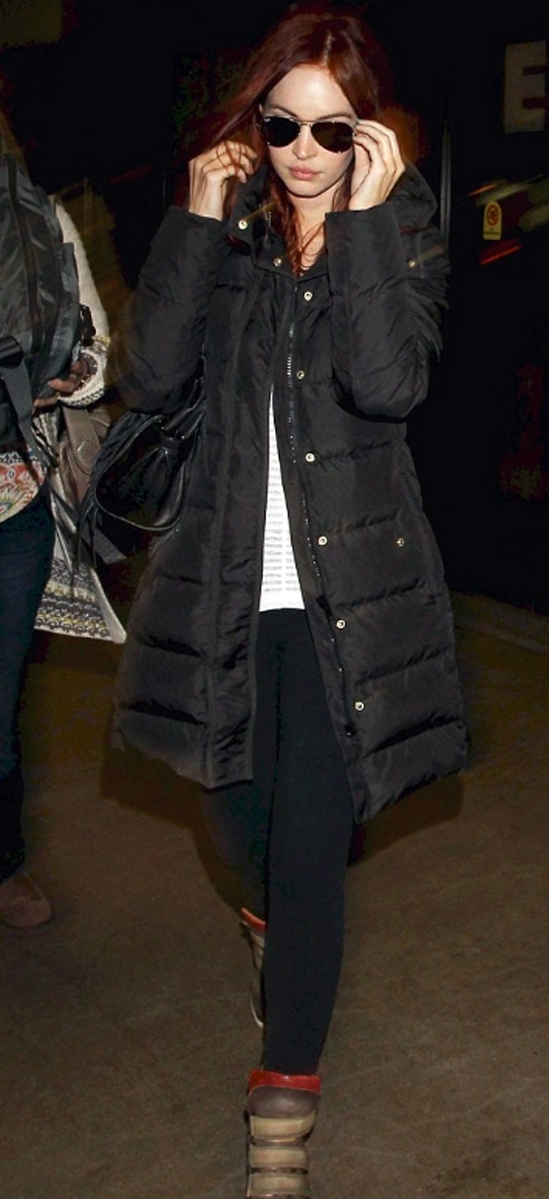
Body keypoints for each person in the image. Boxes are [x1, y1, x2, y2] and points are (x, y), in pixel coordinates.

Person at [110, 6, 468, 1194]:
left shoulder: (401, 226)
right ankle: (268, 919)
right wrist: (195, 217)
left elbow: (388, 380)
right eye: (283, 125)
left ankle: (283, 1103)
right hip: (220, 584)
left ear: (368, 133)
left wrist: (363, 223)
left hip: (344, 598)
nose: (304, 152)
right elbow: (151, 373)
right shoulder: (227, 234)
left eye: (332, 129)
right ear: (254, 124)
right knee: (235, 826)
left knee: (311, 845)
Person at [0, 111, 109, 931]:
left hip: (13, 504)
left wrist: (71, 375)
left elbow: (99, 354)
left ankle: (3, 862)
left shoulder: (38, 216)